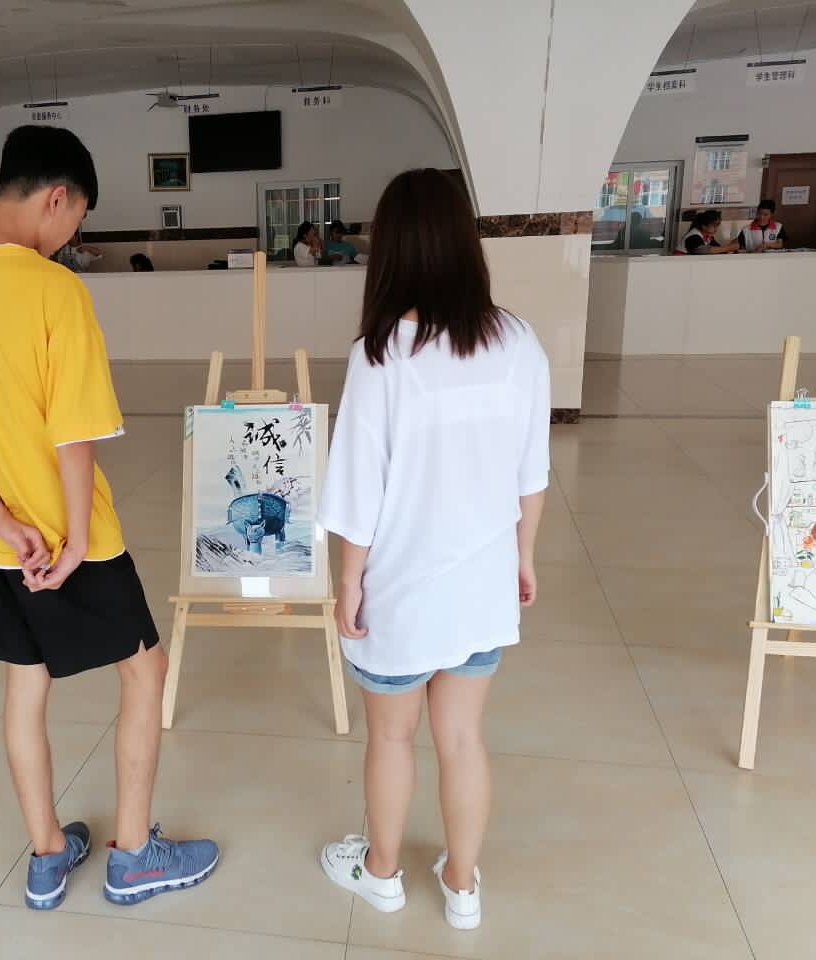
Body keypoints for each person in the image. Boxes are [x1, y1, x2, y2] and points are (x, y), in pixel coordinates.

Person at [0, 125, 218, 912]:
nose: (72, 235)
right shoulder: (53, 289)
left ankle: (47, 855)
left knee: (25, 685)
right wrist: (75, 538)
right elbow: (73, 432)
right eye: (77, 218)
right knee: (145, 672)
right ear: (56, 197)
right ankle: (135, 855)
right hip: (79, 541)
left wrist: (3, 523)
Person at [316, 168, 550, 932]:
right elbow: (532, 473)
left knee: (392, 735)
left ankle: (381, 874)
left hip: (401, 590)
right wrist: (524, 557)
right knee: (463, 738)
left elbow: (359, 490)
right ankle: (461, 885)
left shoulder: (380, 353)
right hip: (481, 585)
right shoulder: (516, 341)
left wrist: (349, 582)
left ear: (391, 249)